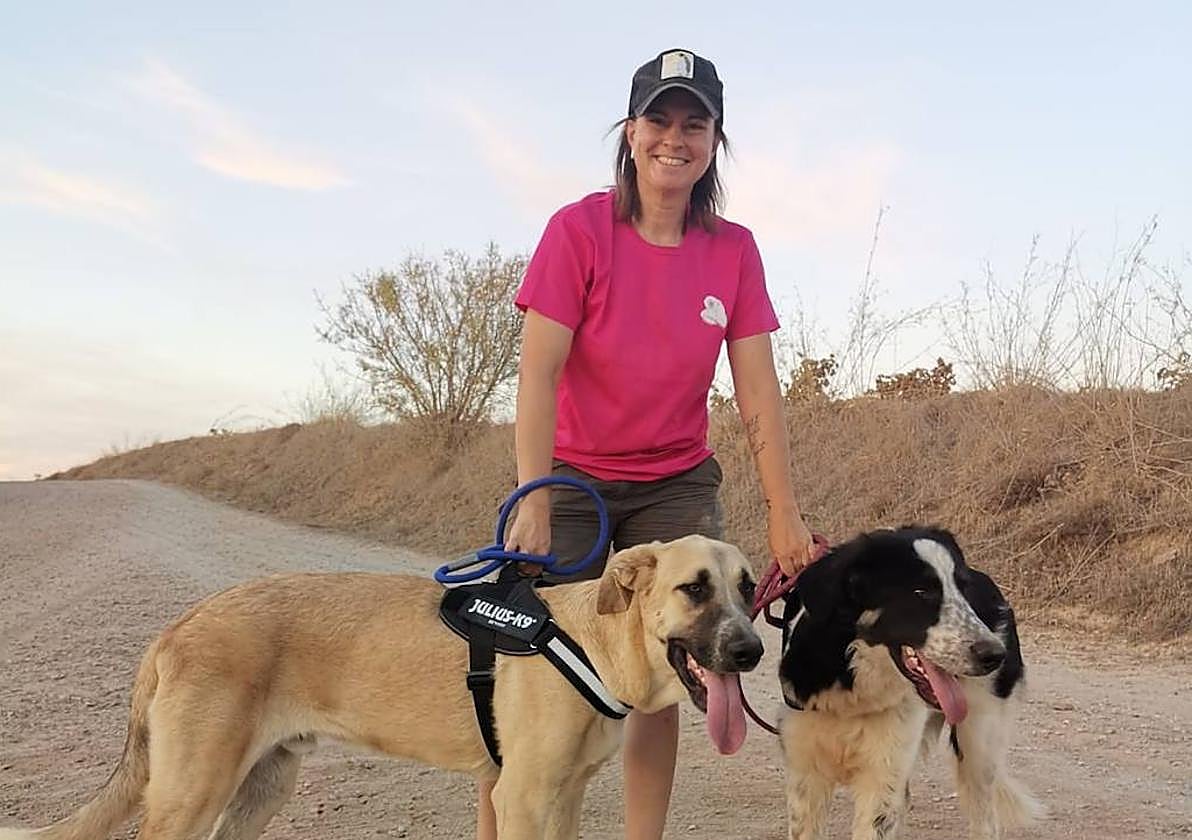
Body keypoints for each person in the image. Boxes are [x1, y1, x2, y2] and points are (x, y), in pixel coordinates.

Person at [478, 48, 817, 840]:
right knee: (526, 668)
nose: (675, 137)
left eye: (694, 123)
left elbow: (758, 392)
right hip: (571, 481)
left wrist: (783, 513)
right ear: (630, 134)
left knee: (665, 668)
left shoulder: (733, 251)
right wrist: (533, 499)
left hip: (675, 485)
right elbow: (537, 374)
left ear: (714, 142)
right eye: (658, 120)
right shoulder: (578, 231)